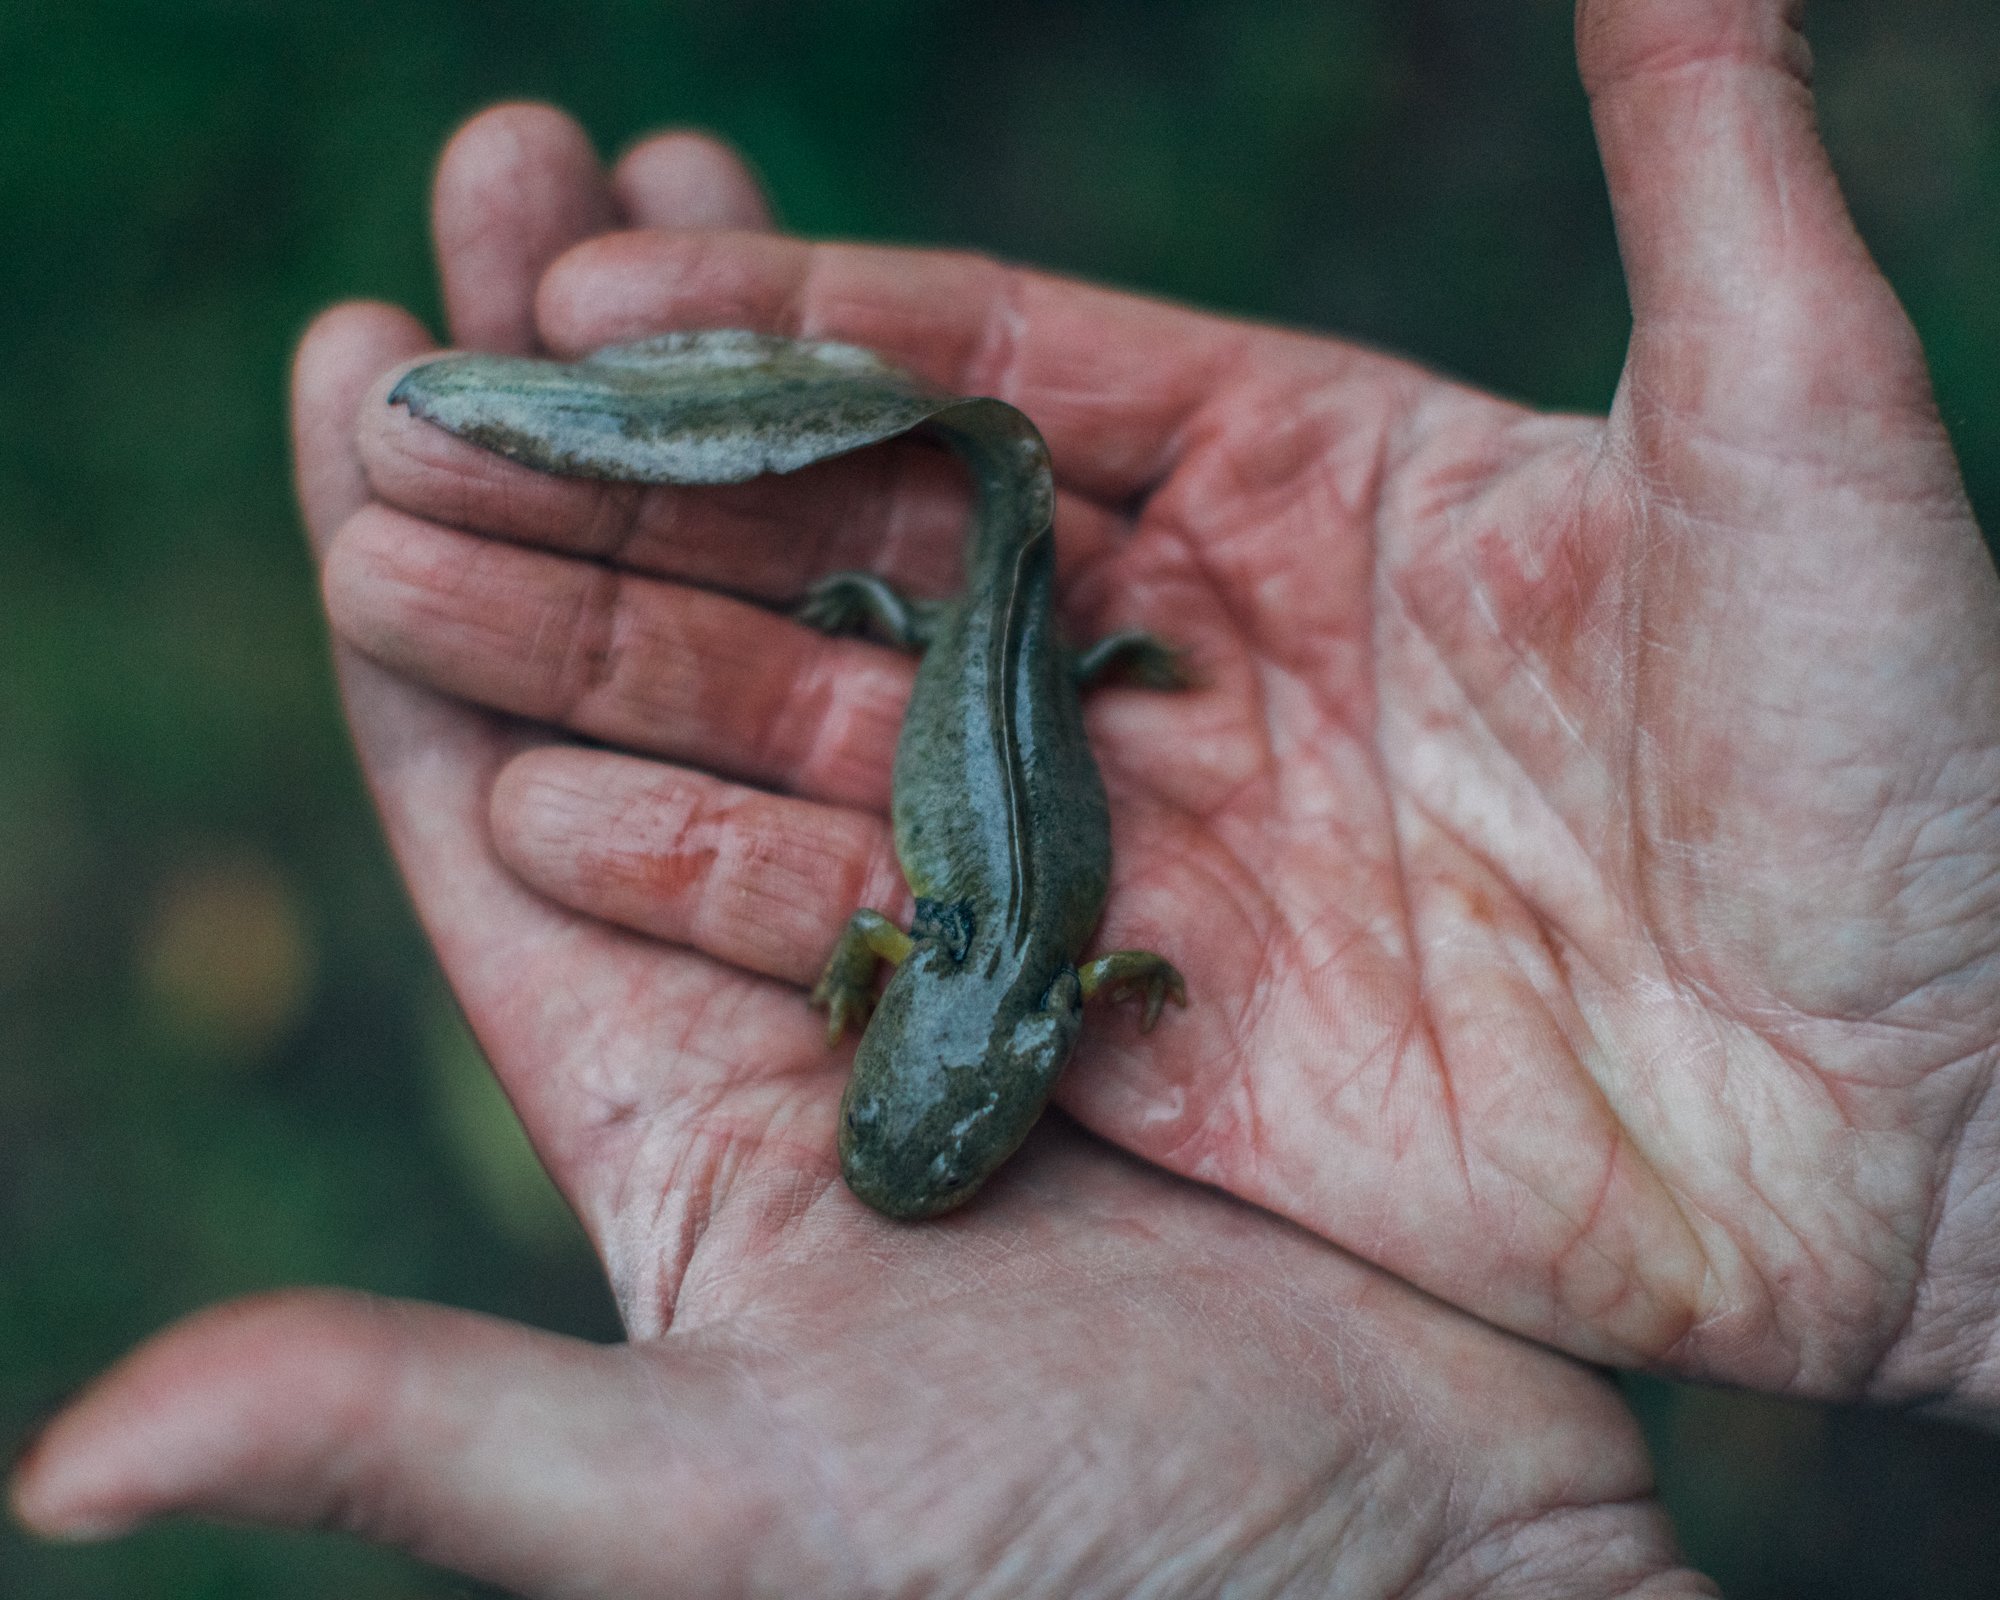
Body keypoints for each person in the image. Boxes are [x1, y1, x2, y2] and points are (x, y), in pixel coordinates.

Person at [14, 0, 2000, 1592]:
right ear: (982, 1026)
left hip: (1009, 662)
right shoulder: (999, 964)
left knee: (991, 601)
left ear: (986, 1030)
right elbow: (973, 946)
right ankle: (941, 527)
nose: (919, 1128)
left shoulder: (998, 968)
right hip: (989, 659)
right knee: (966, 604)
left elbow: (967, 944)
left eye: (924, 1112)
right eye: (929, 1117)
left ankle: (974, 536)